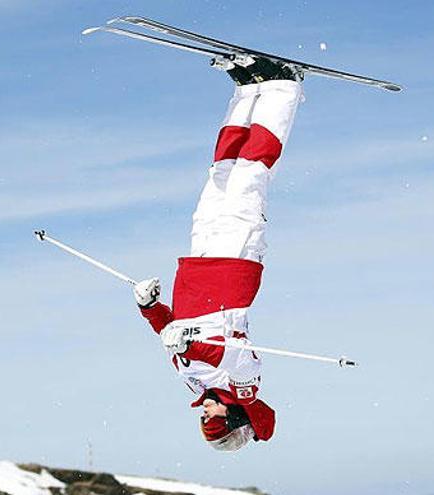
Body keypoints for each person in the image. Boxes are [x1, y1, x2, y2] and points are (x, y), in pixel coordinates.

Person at [133, 56, 304, 452]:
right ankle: (282, 89)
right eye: (212, 421)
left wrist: (150, 307)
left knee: (222, 174)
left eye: (203, 421)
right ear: (234, 418)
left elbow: (169, 331)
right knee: (250, 175)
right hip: (231, 271)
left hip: (196, 273)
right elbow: (232, 356)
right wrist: (187, 346)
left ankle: (248, 92)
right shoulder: (244, 389)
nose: (204, 414)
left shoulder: (194, 382)